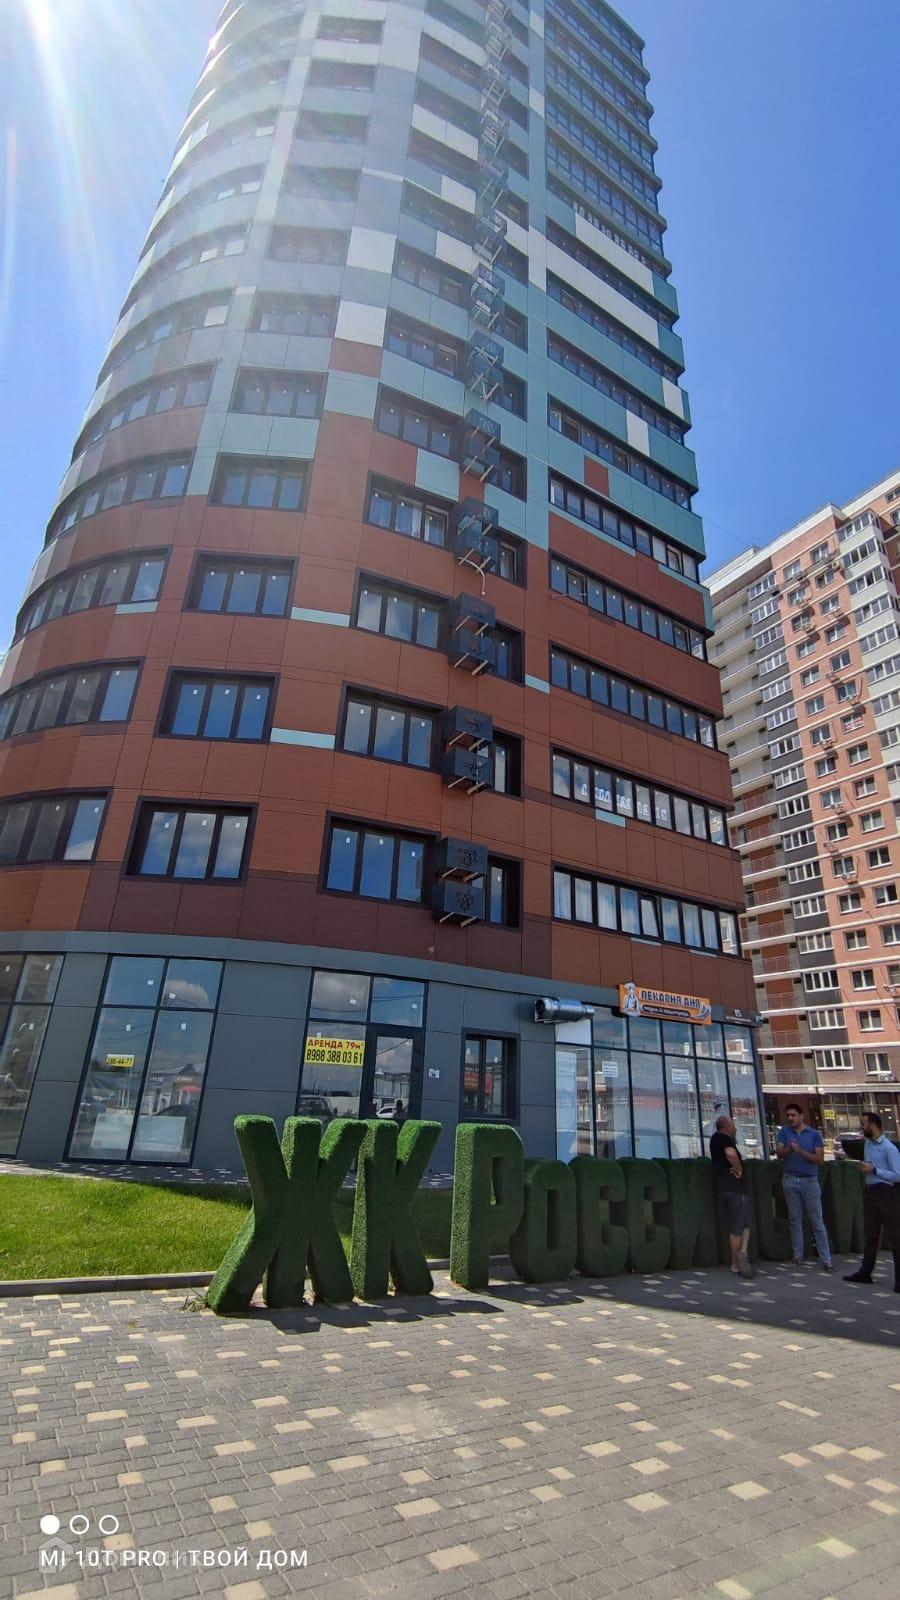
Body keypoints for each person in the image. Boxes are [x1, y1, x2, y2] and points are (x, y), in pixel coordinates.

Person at [844, 1111, 900, 1293]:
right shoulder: (868, 1144)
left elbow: (898, 1174)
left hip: (887, 1193)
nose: (861, 1127)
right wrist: (865, 1168)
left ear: (873, 1125)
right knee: (870, 1235)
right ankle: (865, 1272)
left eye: (864, 1124)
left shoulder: (889, 1148)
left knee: (895, 1237)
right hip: (871, 1191)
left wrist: (875, 1170)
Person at [775, 1103, 834, 1272]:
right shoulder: (784, 1132)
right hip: (790, 1178)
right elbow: (779, 1153)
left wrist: (799, 1150)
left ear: (801, 1116)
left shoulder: (813, 1134)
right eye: (788, 1115)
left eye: (793, 1115)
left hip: (809, 1180)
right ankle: (797, 1256)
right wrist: (789, 1149)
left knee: (817, 1219)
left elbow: (819, 1159)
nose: (790, 1118)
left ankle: (826, 1259)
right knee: (795, 1219)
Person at [709, 1114, 753, 1279]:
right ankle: (735, 1263)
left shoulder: (714, 1140)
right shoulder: (725, 1139)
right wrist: (739, 1168)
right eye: (733, 1125)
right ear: (727, 1127)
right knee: (737, 1225)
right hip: (734, 1188)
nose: (735, 1128)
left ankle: (743, 1251)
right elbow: (730, 1153)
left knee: (745, 1222)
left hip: (723, 1187)